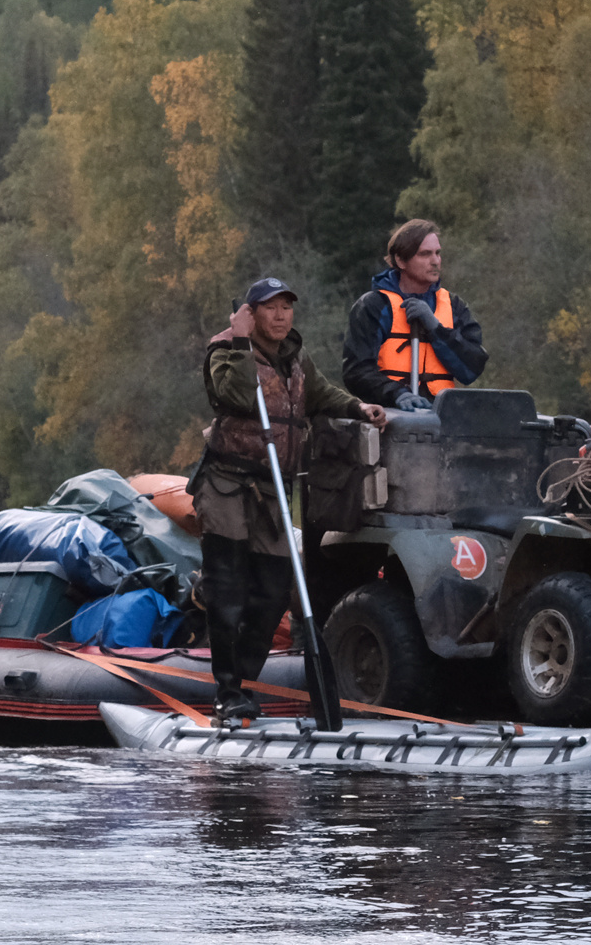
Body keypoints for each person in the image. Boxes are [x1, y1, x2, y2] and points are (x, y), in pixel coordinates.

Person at [192, 276, 386, 721]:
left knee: (275, 589)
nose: (281, 316)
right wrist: (240, 341)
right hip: (226, 484)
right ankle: (226, 692)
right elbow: (237, 394)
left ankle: (242, 682)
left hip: (272, 487)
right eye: (270, 308)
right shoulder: (225, 351)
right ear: (251, 313)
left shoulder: (296, 359)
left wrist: (357, 408)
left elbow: (319, 394)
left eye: (287, 308)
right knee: (228, 590)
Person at [342, 219, 488, 411]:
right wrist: (396, 393)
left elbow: (471, 370)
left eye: (437, 253)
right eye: (425, 254)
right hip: (388, 414)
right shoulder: (374, 306)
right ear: (401, 260)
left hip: (442, 419)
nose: (435, 261)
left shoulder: (454, 306)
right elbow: (356, 372)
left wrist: (436, 329)